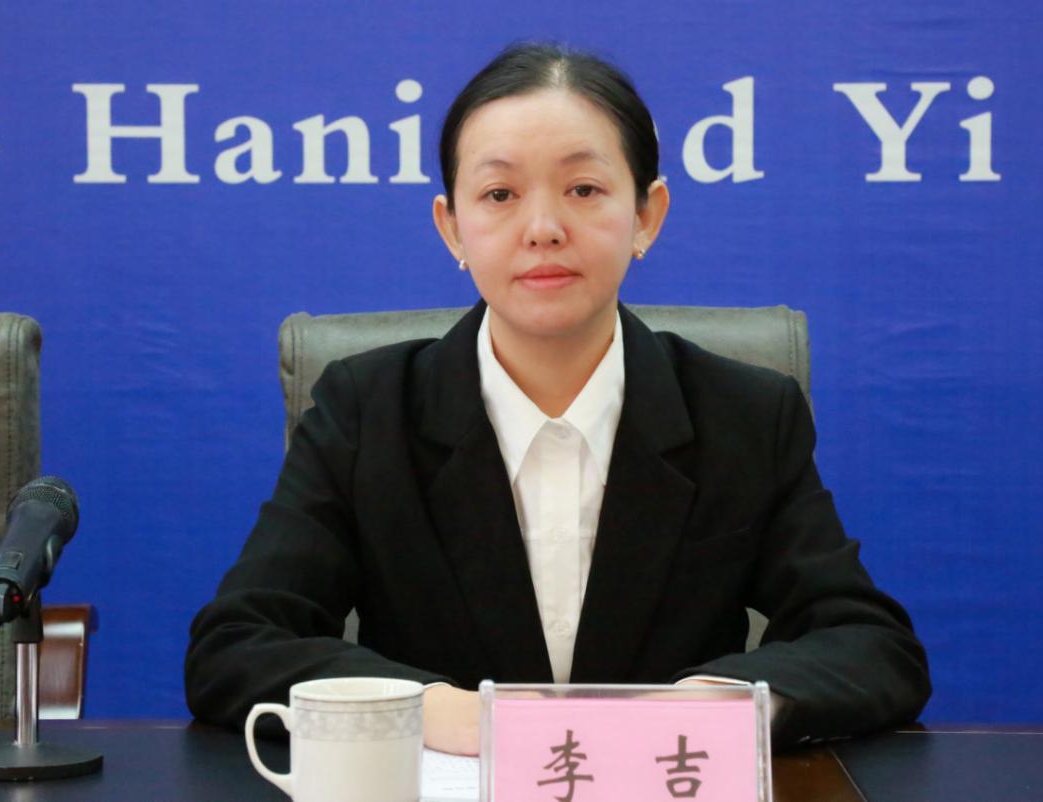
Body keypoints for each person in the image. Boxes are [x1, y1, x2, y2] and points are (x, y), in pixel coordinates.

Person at [184, 42, 931, 754]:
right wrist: (438, 711)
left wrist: (714, 705)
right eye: (499, 194)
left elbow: (870, 645)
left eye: (583, 190)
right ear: (452, 228)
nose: (542, 229)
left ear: (646, 215)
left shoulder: (744, 415)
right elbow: (237, 646)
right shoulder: (367, 411)